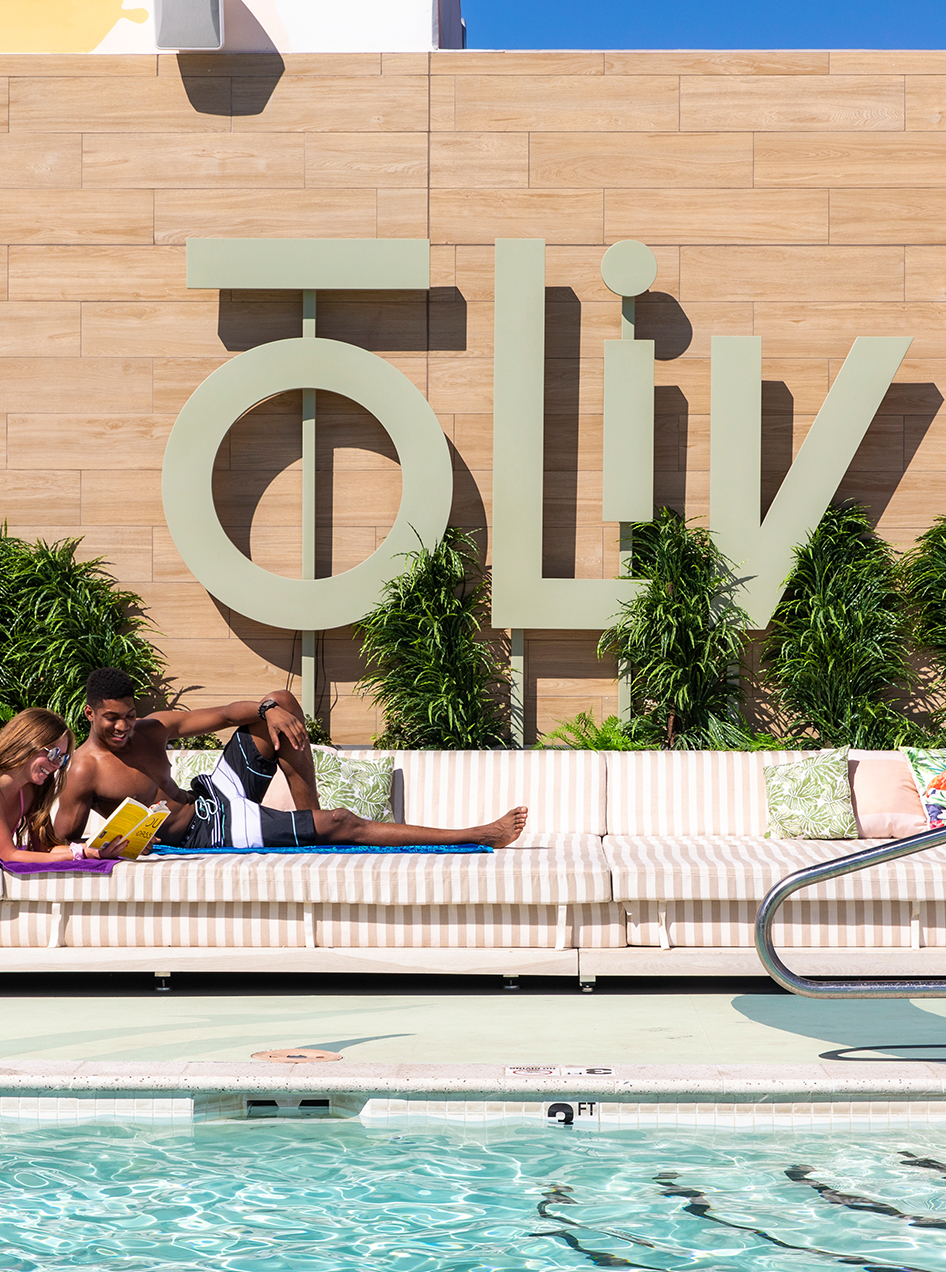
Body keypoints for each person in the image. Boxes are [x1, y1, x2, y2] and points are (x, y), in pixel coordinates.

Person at [54, 668, 528, 853]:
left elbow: (222, 714)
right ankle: (477, 833)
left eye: (129, 717)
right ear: (90, 712)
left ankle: (306, 821)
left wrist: (268, 710)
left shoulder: (151, 729)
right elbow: (63, 843)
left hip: (210, 795)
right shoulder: (84, 769)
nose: (123, 728)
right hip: (207, 831)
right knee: (343, 822)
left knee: (279, 697)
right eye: (112, 720)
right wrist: (97, 849)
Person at [0, 708, 78, 864]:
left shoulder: (29, 792)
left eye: (62, 758)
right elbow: (8, 855)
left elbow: (45, 849)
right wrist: (76, 855)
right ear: (27, 743)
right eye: (54, 753)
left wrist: (89, 850)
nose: (56, 764)